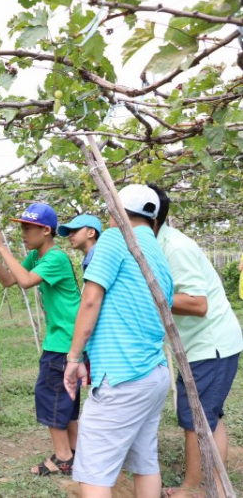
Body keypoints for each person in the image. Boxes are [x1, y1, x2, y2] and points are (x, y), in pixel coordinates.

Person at [64, 184, 173, 497]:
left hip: (123, 375)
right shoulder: (157, 251)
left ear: (115, 211)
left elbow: (90, 300)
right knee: (145, 462)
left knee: (95, 473)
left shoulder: (115, 238)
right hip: (153, 373)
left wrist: (74, 358)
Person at [147, 185, 243, 498]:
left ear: (151, 218)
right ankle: (212, 483)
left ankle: (193, 489)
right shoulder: (158, 245)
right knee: (208, 415)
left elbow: (197, 304)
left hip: (210, 344)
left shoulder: (175, 248)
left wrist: (149, 292)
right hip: (202, 345)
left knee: (195, 418)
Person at [0, 203, 81, 476]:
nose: (22, 233)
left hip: (63, 343)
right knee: (66, 400)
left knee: (51, 397)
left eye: (27, 228)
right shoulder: (38, 255)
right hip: (64, 340)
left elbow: (25, 282)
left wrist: (2, 247)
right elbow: (9, 280)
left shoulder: (56, 257)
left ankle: (62, 458)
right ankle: (74, 452)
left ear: (46, 230)